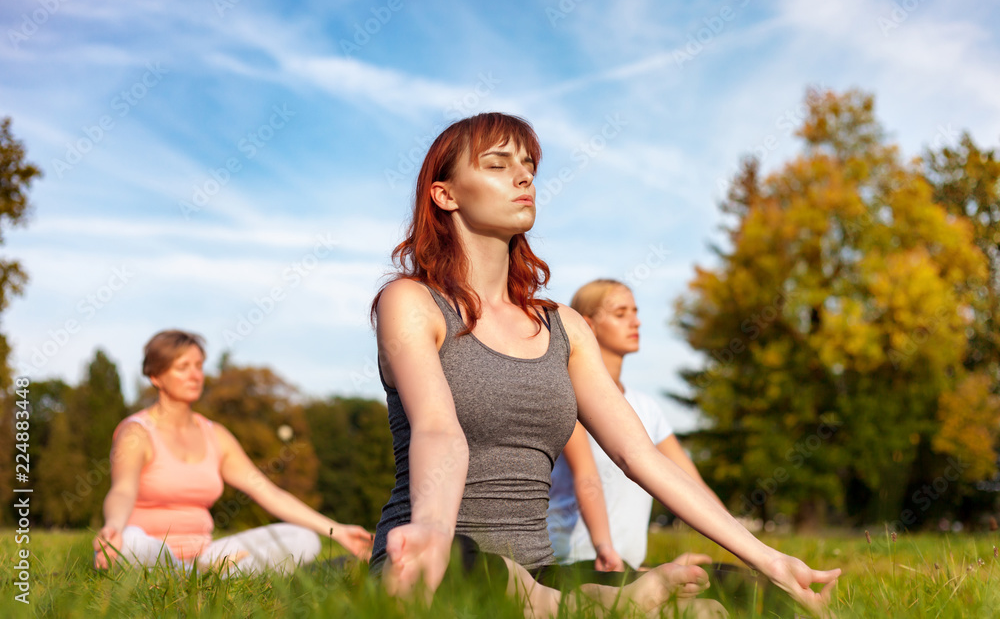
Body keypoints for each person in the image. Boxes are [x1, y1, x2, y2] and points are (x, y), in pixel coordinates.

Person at [368, 112, 839, 617]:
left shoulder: (565, 328)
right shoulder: (412, 302)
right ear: (445, 194)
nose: (524, 177)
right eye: (498, 164)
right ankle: (595, 606)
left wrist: (769, 560)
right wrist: (435, 534)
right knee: (469, 567)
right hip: (434, 558)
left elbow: (641, 457)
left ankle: (584, 601)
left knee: (737, 587)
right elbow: (439, 429)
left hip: (539, 573)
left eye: (527, 165)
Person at [92, 330, 373, 574]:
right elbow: (123, 490)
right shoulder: (137, 432)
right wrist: (113, 528)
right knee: (130, 543)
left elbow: (268, 493)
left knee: (304, 539)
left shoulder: (216, 435)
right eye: (183, 367)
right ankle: (209, 575)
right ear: (155, 376)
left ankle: (198, 576)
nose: (195, 375)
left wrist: (337, 531)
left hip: (206, 556)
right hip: (150, 550)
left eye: (199, 366)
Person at [548, 279, 726, 571]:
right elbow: (587, 477)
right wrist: (604, 547)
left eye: (635, 311)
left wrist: (754, 551)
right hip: (580, 564)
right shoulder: (570, 395)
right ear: (587, 326)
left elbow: (691, 482)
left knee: (731, 582)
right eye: (621, 314)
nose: (636, 322)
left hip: (629, 566)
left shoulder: (647, 407)